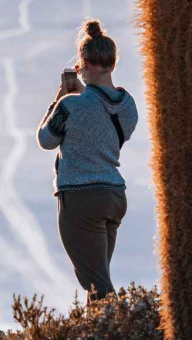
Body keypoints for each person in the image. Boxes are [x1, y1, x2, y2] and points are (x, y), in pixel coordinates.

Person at [37, 19, 139, 299]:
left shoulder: (69, 105)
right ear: (113, 63)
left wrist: (60, 97)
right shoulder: (129, 105)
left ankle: (121, 333)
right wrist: (86, 98)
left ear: (81, 65)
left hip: (81, 199)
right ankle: (98, 338)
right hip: (114, 196)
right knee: (99, 274)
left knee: (95, 284)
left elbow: (46, 140)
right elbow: (103, 126)